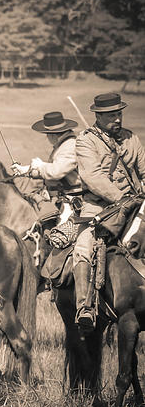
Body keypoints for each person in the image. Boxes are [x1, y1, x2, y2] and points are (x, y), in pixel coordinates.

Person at [73, 92, 145, 331]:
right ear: (99, 116)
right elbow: (93, 177)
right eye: (112, 115)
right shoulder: (85, 141)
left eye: (119, 114)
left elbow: (144, 170)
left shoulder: (131, 138)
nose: (117, 119)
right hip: (100, 206)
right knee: (83, 246)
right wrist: (120, 198)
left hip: (134, 202)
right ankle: (85, 307)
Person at [10, 111, 81, 220]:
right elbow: (51, 169)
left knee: (58, 233)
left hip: (70, 200)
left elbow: (55, 172)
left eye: (47, 134)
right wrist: (25, 170)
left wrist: (40, 165)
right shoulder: (63, 145)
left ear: (53, 134)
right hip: (58, 197)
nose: (47, 137)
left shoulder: (69, 146)